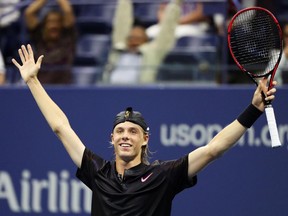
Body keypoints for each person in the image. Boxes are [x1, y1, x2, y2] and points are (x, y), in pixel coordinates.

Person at [12, 44, 277, 215]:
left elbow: (213, 149)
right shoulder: (97, 171)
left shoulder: (163, 175)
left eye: (133, 131)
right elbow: (60, 127)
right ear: (112, 139)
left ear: (144, 140)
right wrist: (33, 81)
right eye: (120, 131)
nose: (125, 135)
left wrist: (253, 109)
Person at [102, 0, 182, 84]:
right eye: (131, 38)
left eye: (138, 38)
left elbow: (168, 29)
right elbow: (121, 22)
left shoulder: (152, 53)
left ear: (146, 40)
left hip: (139, 93)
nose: (134, 41)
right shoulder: (119, 48)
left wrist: (176, 4)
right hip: (110, 91)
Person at [24, 0, 76, 84]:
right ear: (44, 25)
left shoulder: (67, 37)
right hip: (41, 88)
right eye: (50, 22)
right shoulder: (39, 37)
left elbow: (68, 11)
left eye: (57, 22)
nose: (53, 25)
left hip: (64, 88)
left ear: (62, 24)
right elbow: (29, 13)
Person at [146, 2, 214, 39]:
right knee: (150, 32)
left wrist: (177, 22)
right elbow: (161, 12)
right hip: (171, 24)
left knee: (182, 33)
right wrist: (169, 22)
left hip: (193, 25)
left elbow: (201, 13)